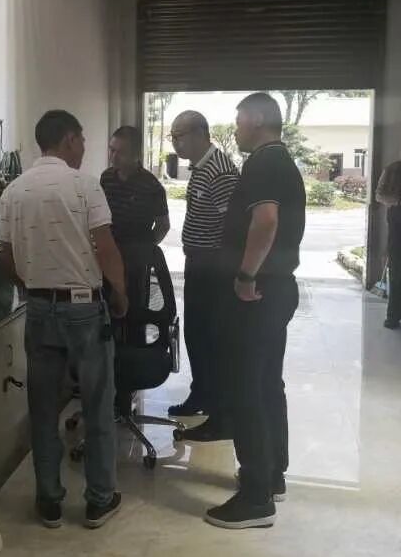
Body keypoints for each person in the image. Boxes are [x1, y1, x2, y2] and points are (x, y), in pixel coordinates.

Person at [0, 110, 128, 530]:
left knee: (42, 408)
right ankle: (99, 500)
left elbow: (5, 256)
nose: (85, 147)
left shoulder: (14, 191)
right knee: (97, 403)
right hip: (84, 309)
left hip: (39, 309)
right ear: (69, 139)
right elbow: (105, 247)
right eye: (83, 139)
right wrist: (120, 292)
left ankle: (49, 501)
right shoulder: (85, 185)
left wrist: (31, 287)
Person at [205, 93, 306, 530]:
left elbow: (265, 221)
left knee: (246, 387)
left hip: (259, 291)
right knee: (266, 383)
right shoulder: (280, 161)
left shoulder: (264, 162)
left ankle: (255, 497)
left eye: (239, 119)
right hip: (277, 289)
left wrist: (246, 275)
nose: (236, 128)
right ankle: (272, 474)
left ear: (260, 118)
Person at [167, 111, 239, 432]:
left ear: (199, 134)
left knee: (211, 337)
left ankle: (218, 407)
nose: (175, 143)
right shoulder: (200, 167)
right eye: (172, 136)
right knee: (196, 334)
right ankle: (202, 394)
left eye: (179, 136)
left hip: (214, 267)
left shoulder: (219, 171)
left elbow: (232, 226)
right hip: (199, 263)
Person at [101, 126, 170, 248]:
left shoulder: (151, 186)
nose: (114, 157)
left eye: (121, 153)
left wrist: (147, 248)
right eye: (112, 150)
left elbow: (163, 225)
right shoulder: (106, 178)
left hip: (138, 252)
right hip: (110, 248)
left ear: (136, 155)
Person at [376, 161, 401, 329]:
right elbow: (380, 195)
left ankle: (393, 317)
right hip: (397, 220)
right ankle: (393, 316)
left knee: (397, 272)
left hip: (396, 218)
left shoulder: (392, 168)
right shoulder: (393, 169)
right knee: (397, 271)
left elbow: (380, 195)